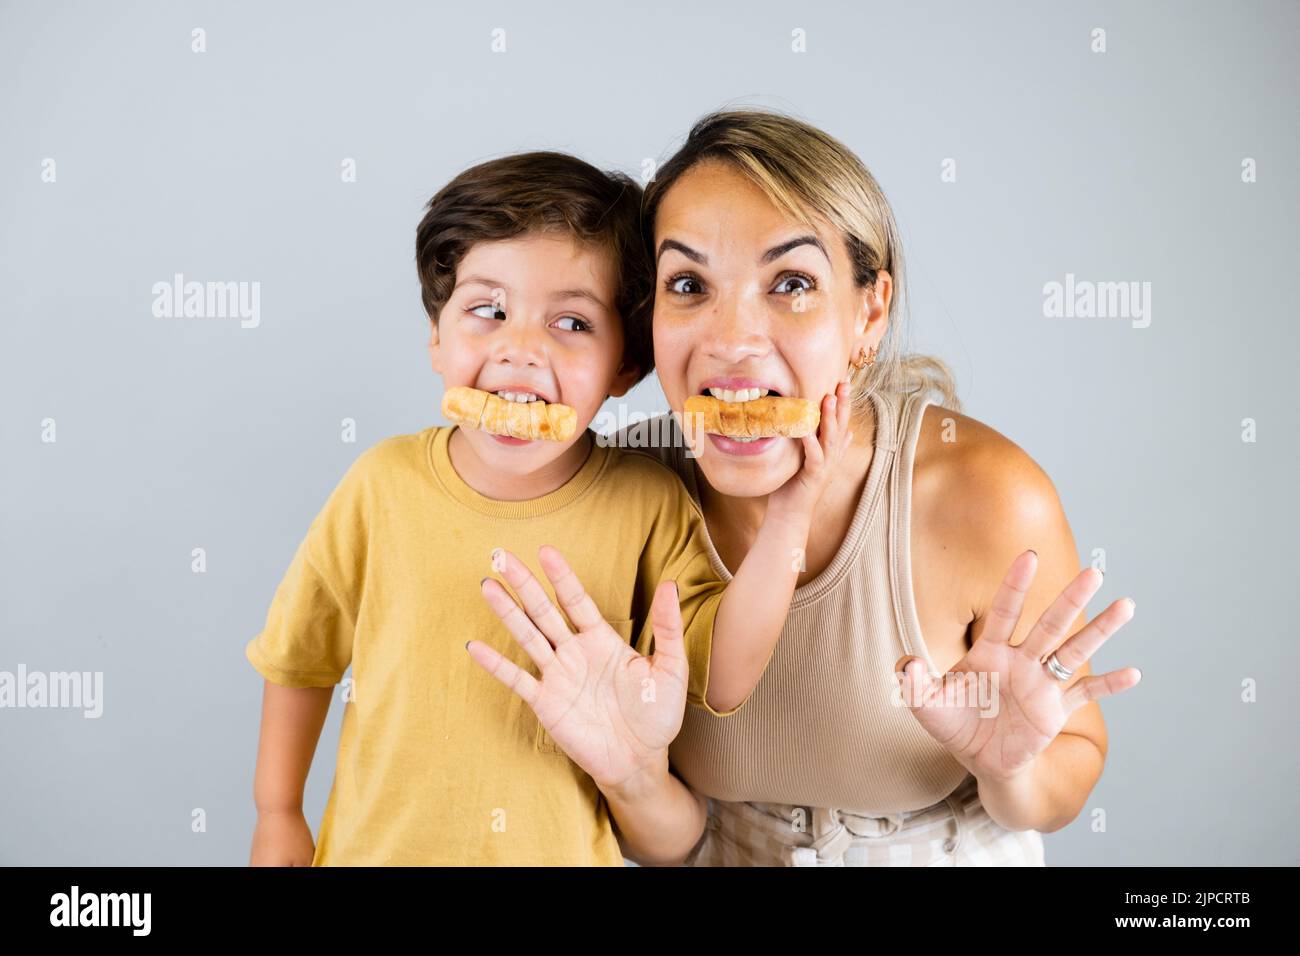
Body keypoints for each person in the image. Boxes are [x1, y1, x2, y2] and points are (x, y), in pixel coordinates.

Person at [476, 111, 1142, 866]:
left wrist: (1012, 768)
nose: (730, 340)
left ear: (869, 312)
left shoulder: (987, 496)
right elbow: (660, 841)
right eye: (689, 284)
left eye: (791, 284)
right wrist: (628, 779)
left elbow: (1067, 774)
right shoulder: (613, 502)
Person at [244, 149, 848, 865]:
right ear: (437, 336)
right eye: (488, 311)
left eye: (571, 324)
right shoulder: (380, 485)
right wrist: (277, 810)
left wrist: (789, 516)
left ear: (628, 365)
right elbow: (299, 657)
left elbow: (721, 672)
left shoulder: (645, 503)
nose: (521, 350)